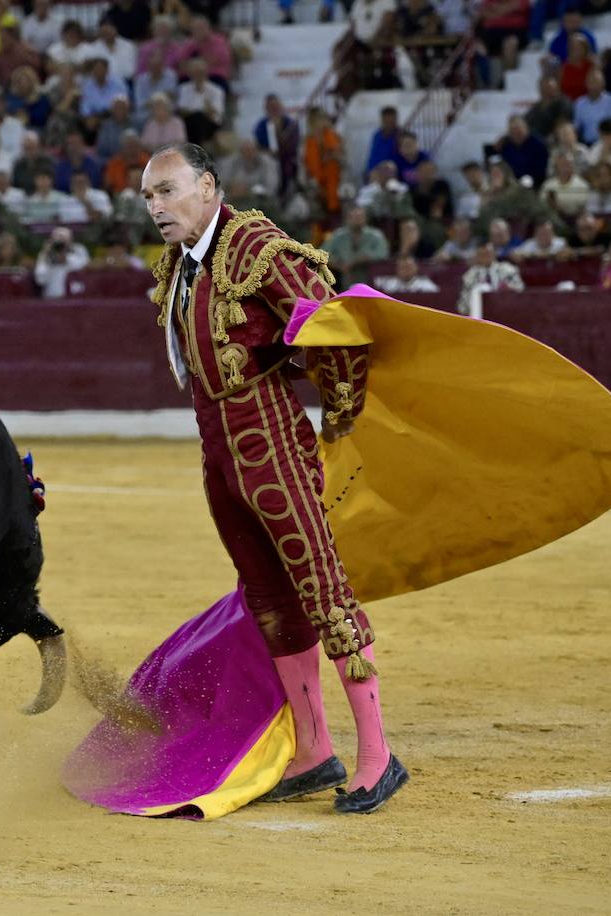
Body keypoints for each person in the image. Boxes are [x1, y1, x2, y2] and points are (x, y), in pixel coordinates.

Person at [141, 141, 405, 813]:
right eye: (147, 197)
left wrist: (341, 418)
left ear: (206, 186)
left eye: (167, 191)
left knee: (323, 590)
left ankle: (378, 755)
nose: (155, 208)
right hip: (220, 459)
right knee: (269, 602)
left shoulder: (256, 244)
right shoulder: (178, 266)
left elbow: (334, 322)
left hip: (274, 453)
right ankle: (315, 752)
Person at [321, 204, 389, 289]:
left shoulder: (375, 235)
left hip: (369, 274)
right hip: (342, 276)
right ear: (347, 219)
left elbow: (383, 253)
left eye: (361, 217)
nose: (359, 220)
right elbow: (322, 254)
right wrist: (338, 264)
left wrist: (361, 259)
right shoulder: (338, 235)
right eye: (355, 217)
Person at [458, 242, 524, 313]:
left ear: (494, 254)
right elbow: (462, 306)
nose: (485, 257)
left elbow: (520, 289)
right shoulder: (470, 276)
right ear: (477, 257)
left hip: (506, 312)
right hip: (479, 315)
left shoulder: (508, 270)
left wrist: (509, 288)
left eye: (487, 254)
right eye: (482, 255)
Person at [33, 225, 89, 296]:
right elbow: (40, 280)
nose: (61, 243)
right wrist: (46, 256)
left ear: (71, 240)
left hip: (76, 297)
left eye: (64, 239)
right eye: (58, 239)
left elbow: (84, 268)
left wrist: (66, 258)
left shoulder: (79, 250)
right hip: (52, 297)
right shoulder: (45, 255)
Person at [373, 255, 440, 293]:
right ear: (397, 269)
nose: (406, 270)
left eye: (409, 267)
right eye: (403, 267)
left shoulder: (426, 284)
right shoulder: (387, 284)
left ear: (416, 268)